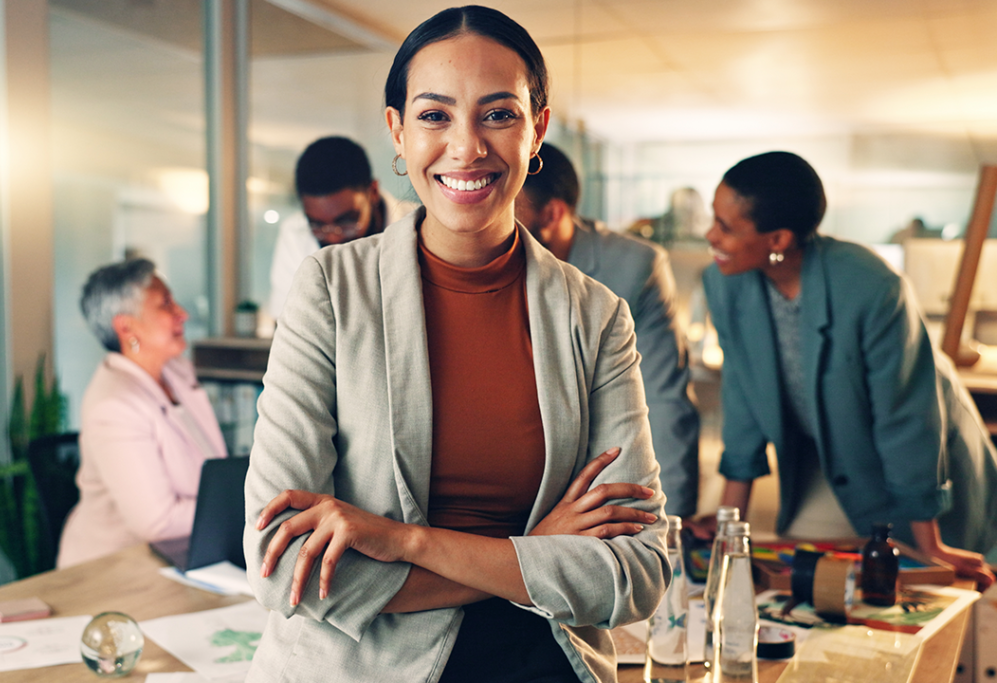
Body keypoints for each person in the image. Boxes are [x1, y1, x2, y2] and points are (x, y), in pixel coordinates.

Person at [243, 6, 670, 682]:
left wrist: (404, 541)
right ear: (398, 130)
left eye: (498, 114)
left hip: (544, 664)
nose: (466, 147)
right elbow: (284, 565)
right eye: (435, 115)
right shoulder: (331, 289)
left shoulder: (595, 317)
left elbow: (639, 571)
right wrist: (530, 555)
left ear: (538, 131)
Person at [702, 150, 997, 588]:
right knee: (819, 580)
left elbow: (906, 419)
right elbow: (743, 400)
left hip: (924, 454)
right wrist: (729, 528)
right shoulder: (724, 284)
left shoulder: (872, 287)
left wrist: (930, 543)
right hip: (827, 455)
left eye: (725, 227)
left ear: (778, 239)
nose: (711, 236)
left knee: (927, 579)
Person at [515, 142, 700, 518]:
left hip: (598, 479)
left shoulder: (634, 268)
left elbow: (665, 402)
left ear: (551, 214)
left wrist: (672, 526)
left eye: (507, 207)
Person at [58, 258, 227, 568]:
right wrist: (245, 502)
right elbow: (157, 521)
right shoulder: (114, 405)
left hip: (187, 556)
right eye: (165, 304)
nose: (182, 313)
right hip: (116, 569)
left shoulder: (175, 371)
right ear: (126, 327)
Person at [267, 136, 418, 319]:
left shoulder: (419, 225)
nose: (334, 238)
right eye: (318, 225)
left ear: (373, 192)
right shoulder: (295, 233)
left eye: (347, 222)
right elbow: (285, 321)